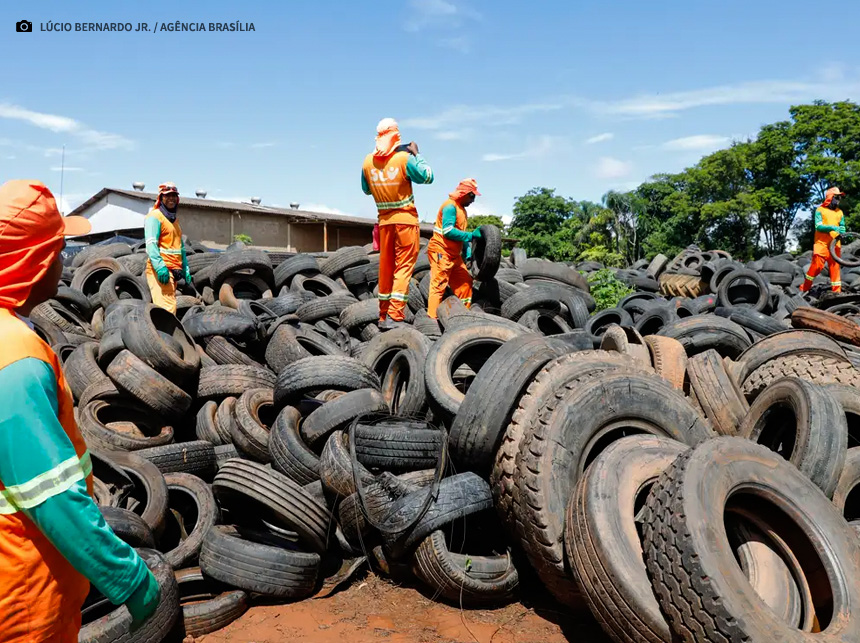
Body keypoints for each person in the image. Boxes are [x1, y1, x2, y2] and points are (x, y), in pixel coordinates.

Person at [0, 180, 160, 642]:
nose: (64, 259)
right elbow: (50, 494)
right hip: (25, 596)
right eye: (57, 248)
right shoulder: (15, 359)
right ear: (34, 261)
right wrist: (129, 578)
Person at [361, 118, 434, 329]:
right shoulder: (404, 159)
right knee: (403, 267)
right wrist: (417, 154)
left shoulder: (367, 162)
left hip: (384, 224)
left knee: (386, 268)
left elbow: (366, 190)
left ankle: (383, 315)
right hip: (405, 222)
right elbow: (428, 176)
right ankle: (395, 315)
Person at [426, 179, 482, 318]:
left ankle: (462, 317)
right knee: (438, 286)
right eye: (472, 196)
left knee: (465, 282)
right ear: (464, 193)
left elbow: (460, 234)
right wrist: (471, 236)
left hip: (454, 255)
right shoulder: (450, 207)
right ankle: (432, 321)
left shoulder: (462, 210)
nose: (473, 200)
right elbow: (448, 231)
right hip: (441, 251)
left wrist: (468, 252)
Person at [144, 182, 192, 314]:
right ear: (161, 198)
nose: (171, 198)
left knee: (168, 308)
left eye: (174, 195)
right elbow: (151, 244)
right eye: (167, 195)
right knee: (167, 310)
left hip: (174, 270)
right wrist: (160, 267)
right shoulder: (154, 217)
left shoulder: (174, 221)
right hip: (161, 270)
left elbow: (180, 247)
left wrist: (185, 268)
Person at [800, 186, 847, 295]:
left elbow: (842, 226)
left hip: (835, 245)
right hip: (821, 244)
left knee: (835, 269)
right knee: (816, 267)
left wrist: (843, 230)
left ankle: (837, 293)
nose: (839, 200)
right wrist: (832, 228)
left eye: (840, 198)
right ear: (830, 197)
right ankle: (805, 288)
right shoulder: (820, 210)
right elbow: (818, 226)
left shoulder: (839, 212)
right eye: (837, 197)